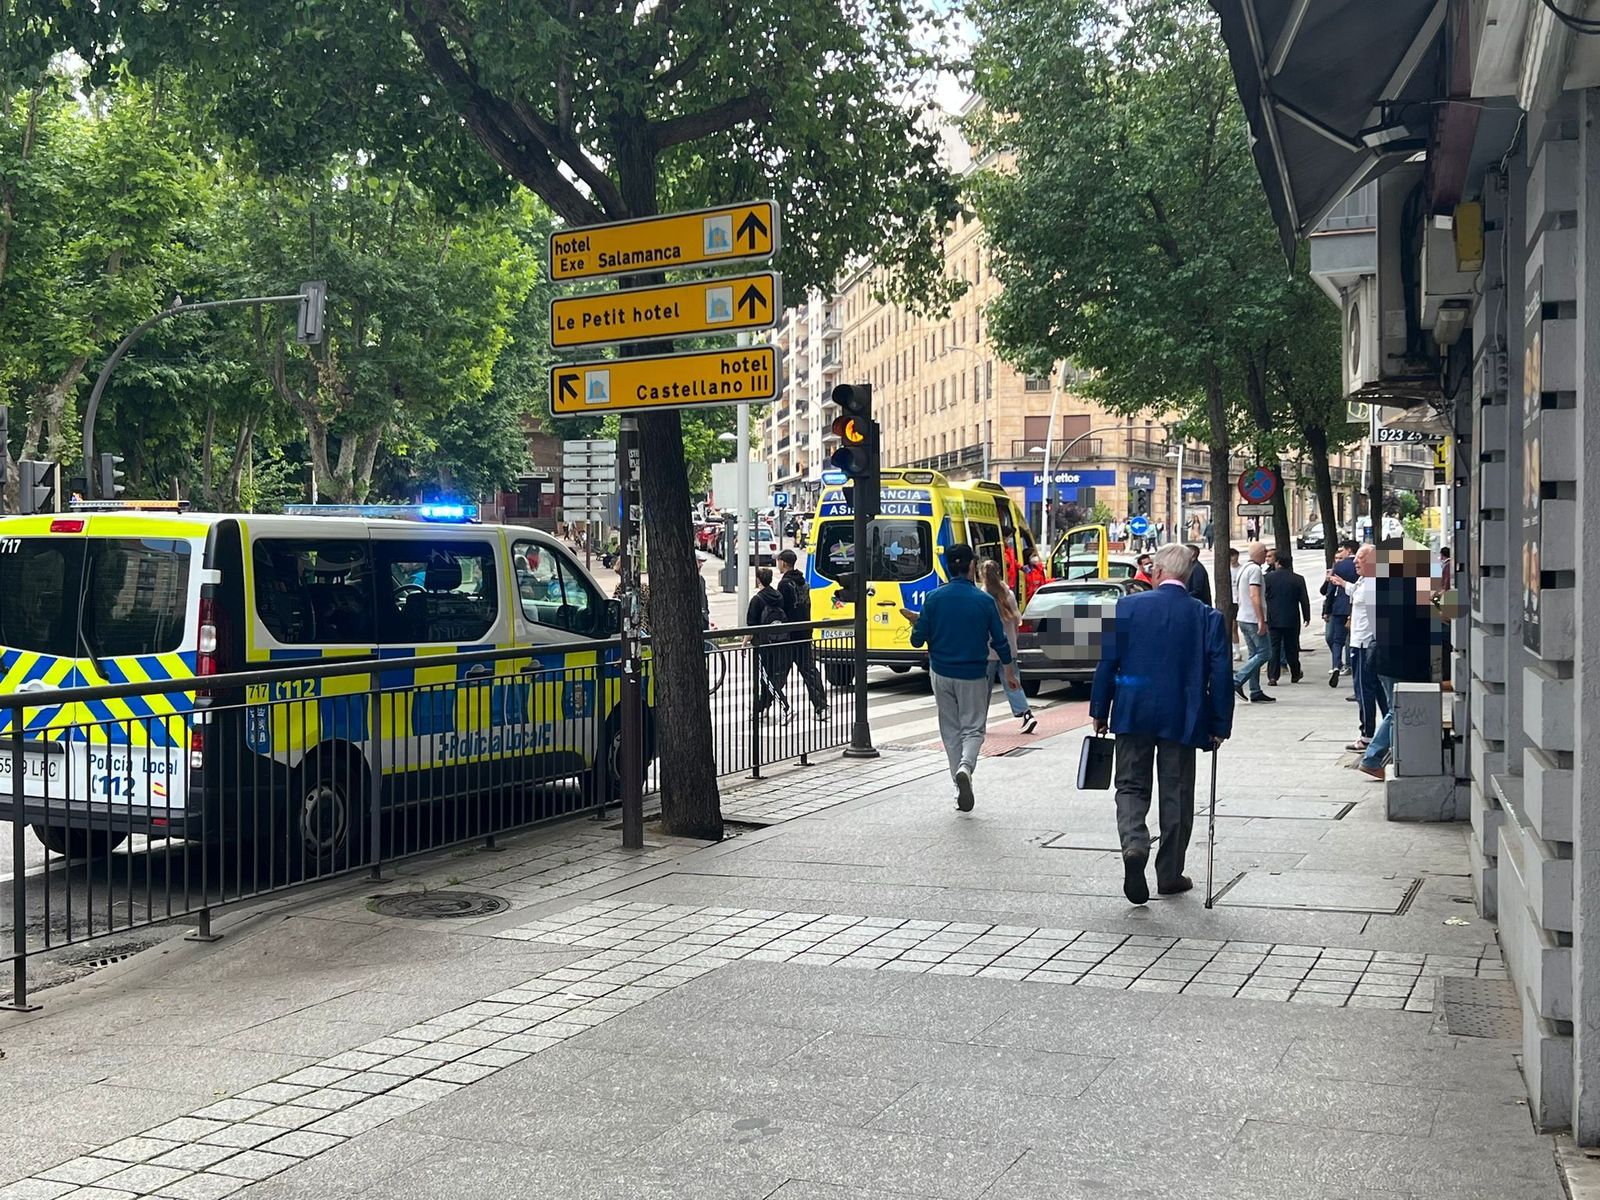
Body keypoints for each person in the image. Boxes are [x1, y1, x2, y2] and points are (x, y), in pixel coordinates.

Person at [1091, 543, 1233, 905]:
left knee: (1130, 786)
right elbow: (1221, 673)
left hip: (1132, 711)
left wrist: (1100, 710)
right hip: (1183, 716)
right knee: (1177, 793)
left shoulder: (1126, 607)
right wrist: (1219, 723)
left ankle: (1134, 845)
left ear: (1156, 572)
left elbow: (1107, 663)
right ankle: (1169, 874)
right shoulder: (1207, 617)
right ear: (1188, 575)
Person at [903, 543, 1015, 812]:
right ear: (972, 566)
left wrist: (917, 624)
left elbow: (917, 640)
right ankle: (966, 767)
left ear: (947, 566)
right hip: (973, 673)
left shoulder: (933, 598)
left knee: (950, 730)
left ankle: (958, 783)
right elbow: (1000, 640)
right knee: (973, 729)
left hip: (941, 672)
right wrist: (1010, 670)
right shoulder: (984, 601)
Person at [1356, 544, 1439, 781]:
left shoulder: (1385, 586)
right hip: (1401, 661)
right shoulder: (1408, 589)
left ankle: (1381, 758)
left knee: (1395, 710)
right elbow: (1431, 618)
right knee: (1397, 711)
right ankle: (1374, 758)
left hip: (1387, 659)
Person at [1327, 544, 1381, 750]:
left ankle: (1367, 734)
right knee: (1376, 690)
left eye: (1360, 558)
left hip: (1364, 645)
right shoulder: (1364, 581)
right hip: (1361, 643)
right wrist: (1342, 583)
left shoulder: (1373, 584)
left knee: (1364, 690)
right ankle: (1386, 729)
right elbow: (1356, 593)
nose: (1355, 562)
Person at [980, 559, 1037, 734]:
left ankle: (978, 722)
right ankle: (1026, 714)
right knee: (1013, 683)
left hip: (988, 650)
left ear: (982, 575)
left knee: (982, 689)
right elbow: (1016, 623)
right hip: (1009, 649)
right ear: (999, 573)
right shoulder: (1009, 594)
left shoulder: (983, 596)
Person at [774, 548, 827, 719]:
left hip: (789, 636)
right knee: (809, 671)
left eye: (778, 561)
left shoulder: (784, 585)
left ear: (783, 562)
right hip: (805, 633)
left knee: (778, 673)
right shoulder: (803, 582)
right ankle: (821, 706)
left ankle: (764, 706)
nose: (777, 564)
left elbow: (781, 610)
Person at [748, 566, 792, 723]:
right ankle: (763, 707)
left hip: (764, 644)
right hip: (780, 641)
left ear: (758, 580)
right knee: (771, 677)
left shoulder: (757, 600)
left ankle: (785, 707)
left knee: (767, 678)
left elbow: (751, 625)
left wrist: (745, 642)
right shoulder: (778, 596)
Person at [1231, 542, 1274, 703]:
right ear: (1260, 553)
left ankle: (1255, 690)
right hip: (1252, 618)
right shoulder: (1255, 570)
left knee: (1253, 654)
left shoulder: (1244, 568)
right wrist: (1261, 620)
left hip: (1243, 616)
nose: (1266, 555)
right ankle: (1237, 680)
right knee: (1265, 653)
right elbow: (1254, 595)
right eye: (1265, 552)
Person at [1264, 552, 1311, 685]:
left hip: (1273, 618)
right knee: (1292, 647)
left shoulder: (1268, 578)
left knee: (1274, 648)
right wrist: (1307, 616)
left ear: (1277, 562)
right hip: (1292, 618)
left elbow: (1264, 597)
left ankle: (1273, 676)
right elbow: (1304, 599)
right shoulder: (1298, 579)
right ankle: (1295, 673)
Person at [1322, 539, 1357, 686]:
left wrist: (1327, 609)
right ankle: (1351, 665)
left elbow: (1331, 591)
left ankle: (1336, 665)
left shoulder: (1339, 566)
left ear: (1348, 550)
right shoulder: (1360, 565)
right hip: (1355, 607)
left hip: (1339, 607)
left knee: (1337, 640)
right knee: (1353, 639)